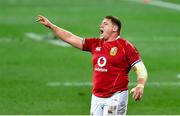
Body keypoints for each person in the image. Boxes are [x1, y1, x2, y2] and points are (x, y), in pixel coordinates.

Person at [37, 15, 148, 115]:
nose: (101, 25)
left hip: (116, 97)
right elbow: (70, 38)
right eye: (101, 23)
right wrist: (51, 26)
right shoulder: (95, 44)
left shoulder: (125, 46)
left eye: (105, 24)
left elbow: (141, 69)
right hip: (97, 96)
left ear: (115, 28)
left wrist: (140, 85)